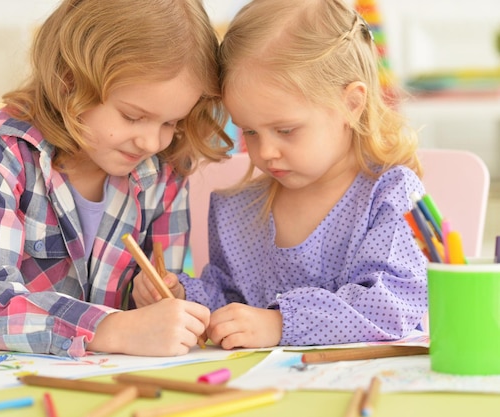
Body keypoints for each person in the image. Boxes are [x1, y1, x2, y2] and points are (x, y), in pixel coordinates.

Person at [0, 0, 233, 358]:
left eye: (170, 123)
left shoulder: (165, 171)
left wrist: (153, 297)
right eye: (133, 116)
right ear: (69, 82)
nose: (151, 142)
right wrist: (107, 327)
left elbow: (152, 312)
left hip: (90, 379)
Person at [133, 0, 428, 349]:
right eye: (251, 132)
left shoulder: (390, 195)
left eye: (285, 130)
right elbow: (226, 304)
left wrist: (281, 323)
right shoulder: (237, 212)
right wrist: (182, 294)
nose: (265, 152)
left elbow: (395, 304)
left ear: (351, 104)